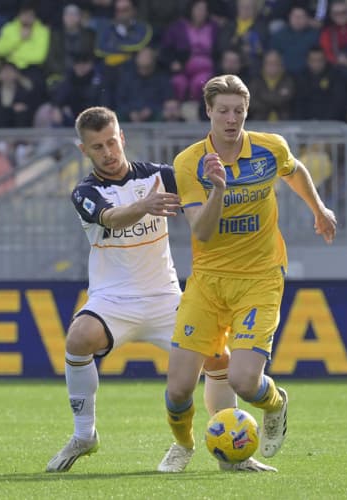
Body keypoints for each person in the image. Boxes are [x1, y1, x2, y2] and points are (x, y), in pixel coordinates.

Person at [46, 106, 275, 473]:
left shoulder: (160, 176)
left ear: (122, 137)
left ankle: (233, 454)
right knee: (78, 337)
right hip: (113, 300)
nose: (108, 152)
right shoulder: (85, 192)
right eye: (97, 147)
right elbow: (111, 217)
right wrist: (144, 206)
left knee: (221, 359)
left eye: (111, 142)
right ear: (83, 150)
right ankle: (84, 434)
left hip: (166, 298)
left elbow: (202, 207)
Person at [158, 74, 337, 472]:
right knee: (177, 390)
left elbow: (294, 171)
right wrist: (218, 187)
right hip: (207, 281)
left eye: (238, 110)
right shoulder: (189, 163)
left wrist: (319, 210)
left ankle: (276, 403)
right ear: (208, 111)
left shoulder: (270, 147)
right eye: (222, 110)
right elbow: (201, 231)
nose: (231, 118)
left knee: (242, 380)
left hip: (260, 276)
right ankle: (184, 446)